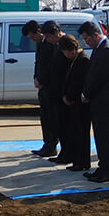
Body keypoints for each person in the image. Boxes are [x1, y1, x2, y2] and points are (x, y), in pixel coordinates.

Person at [78, 21, 109, 182]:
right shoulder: (99, 49)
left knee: (105, 137)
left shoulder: (106, 50)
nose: (86, 42)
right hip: (98, 100)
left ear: (95, 35)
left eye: (87, 38)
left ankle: (107, 171)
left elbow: (99, 78)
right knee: (100, 137)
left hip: (104, 100)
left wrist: (87, 93)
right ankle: (102, 167)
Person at [23, 20, 58, 157]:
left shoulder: (50, 44)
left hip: (49, 86)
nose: (32, 39)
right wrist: (36, 78)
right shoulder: (40, 44)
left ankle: (51, 145)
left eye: (32, 36)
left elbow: (50, 66)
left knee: (51, 117)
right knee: (44, 116)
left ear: (38, 32)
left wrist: (42, 79)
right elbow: (38, 63)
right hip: (42, 86)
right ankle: (46, 143)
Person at [57, 34, 91, 172]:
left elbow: (79, 83)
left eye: (64, 51)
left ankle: (83, 162)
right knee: (75, 132)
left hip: (81, 103)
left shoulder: (83, 60)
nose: (65, 54)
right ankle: (77, 160)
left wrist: (69, 96)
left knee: (82, 133)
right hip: (74, 103)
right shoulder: (75, 60)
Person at [40, 20, 71, 164]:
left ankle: (67, 153)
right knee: (55, 123)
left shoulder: (65, 43)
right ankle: (62, 153)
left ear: (56, 33)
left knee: (65, 125)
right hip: (53, 90)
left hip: (62, 92)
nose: (47, 39)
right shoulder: (53, 45)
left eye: (48, 36)